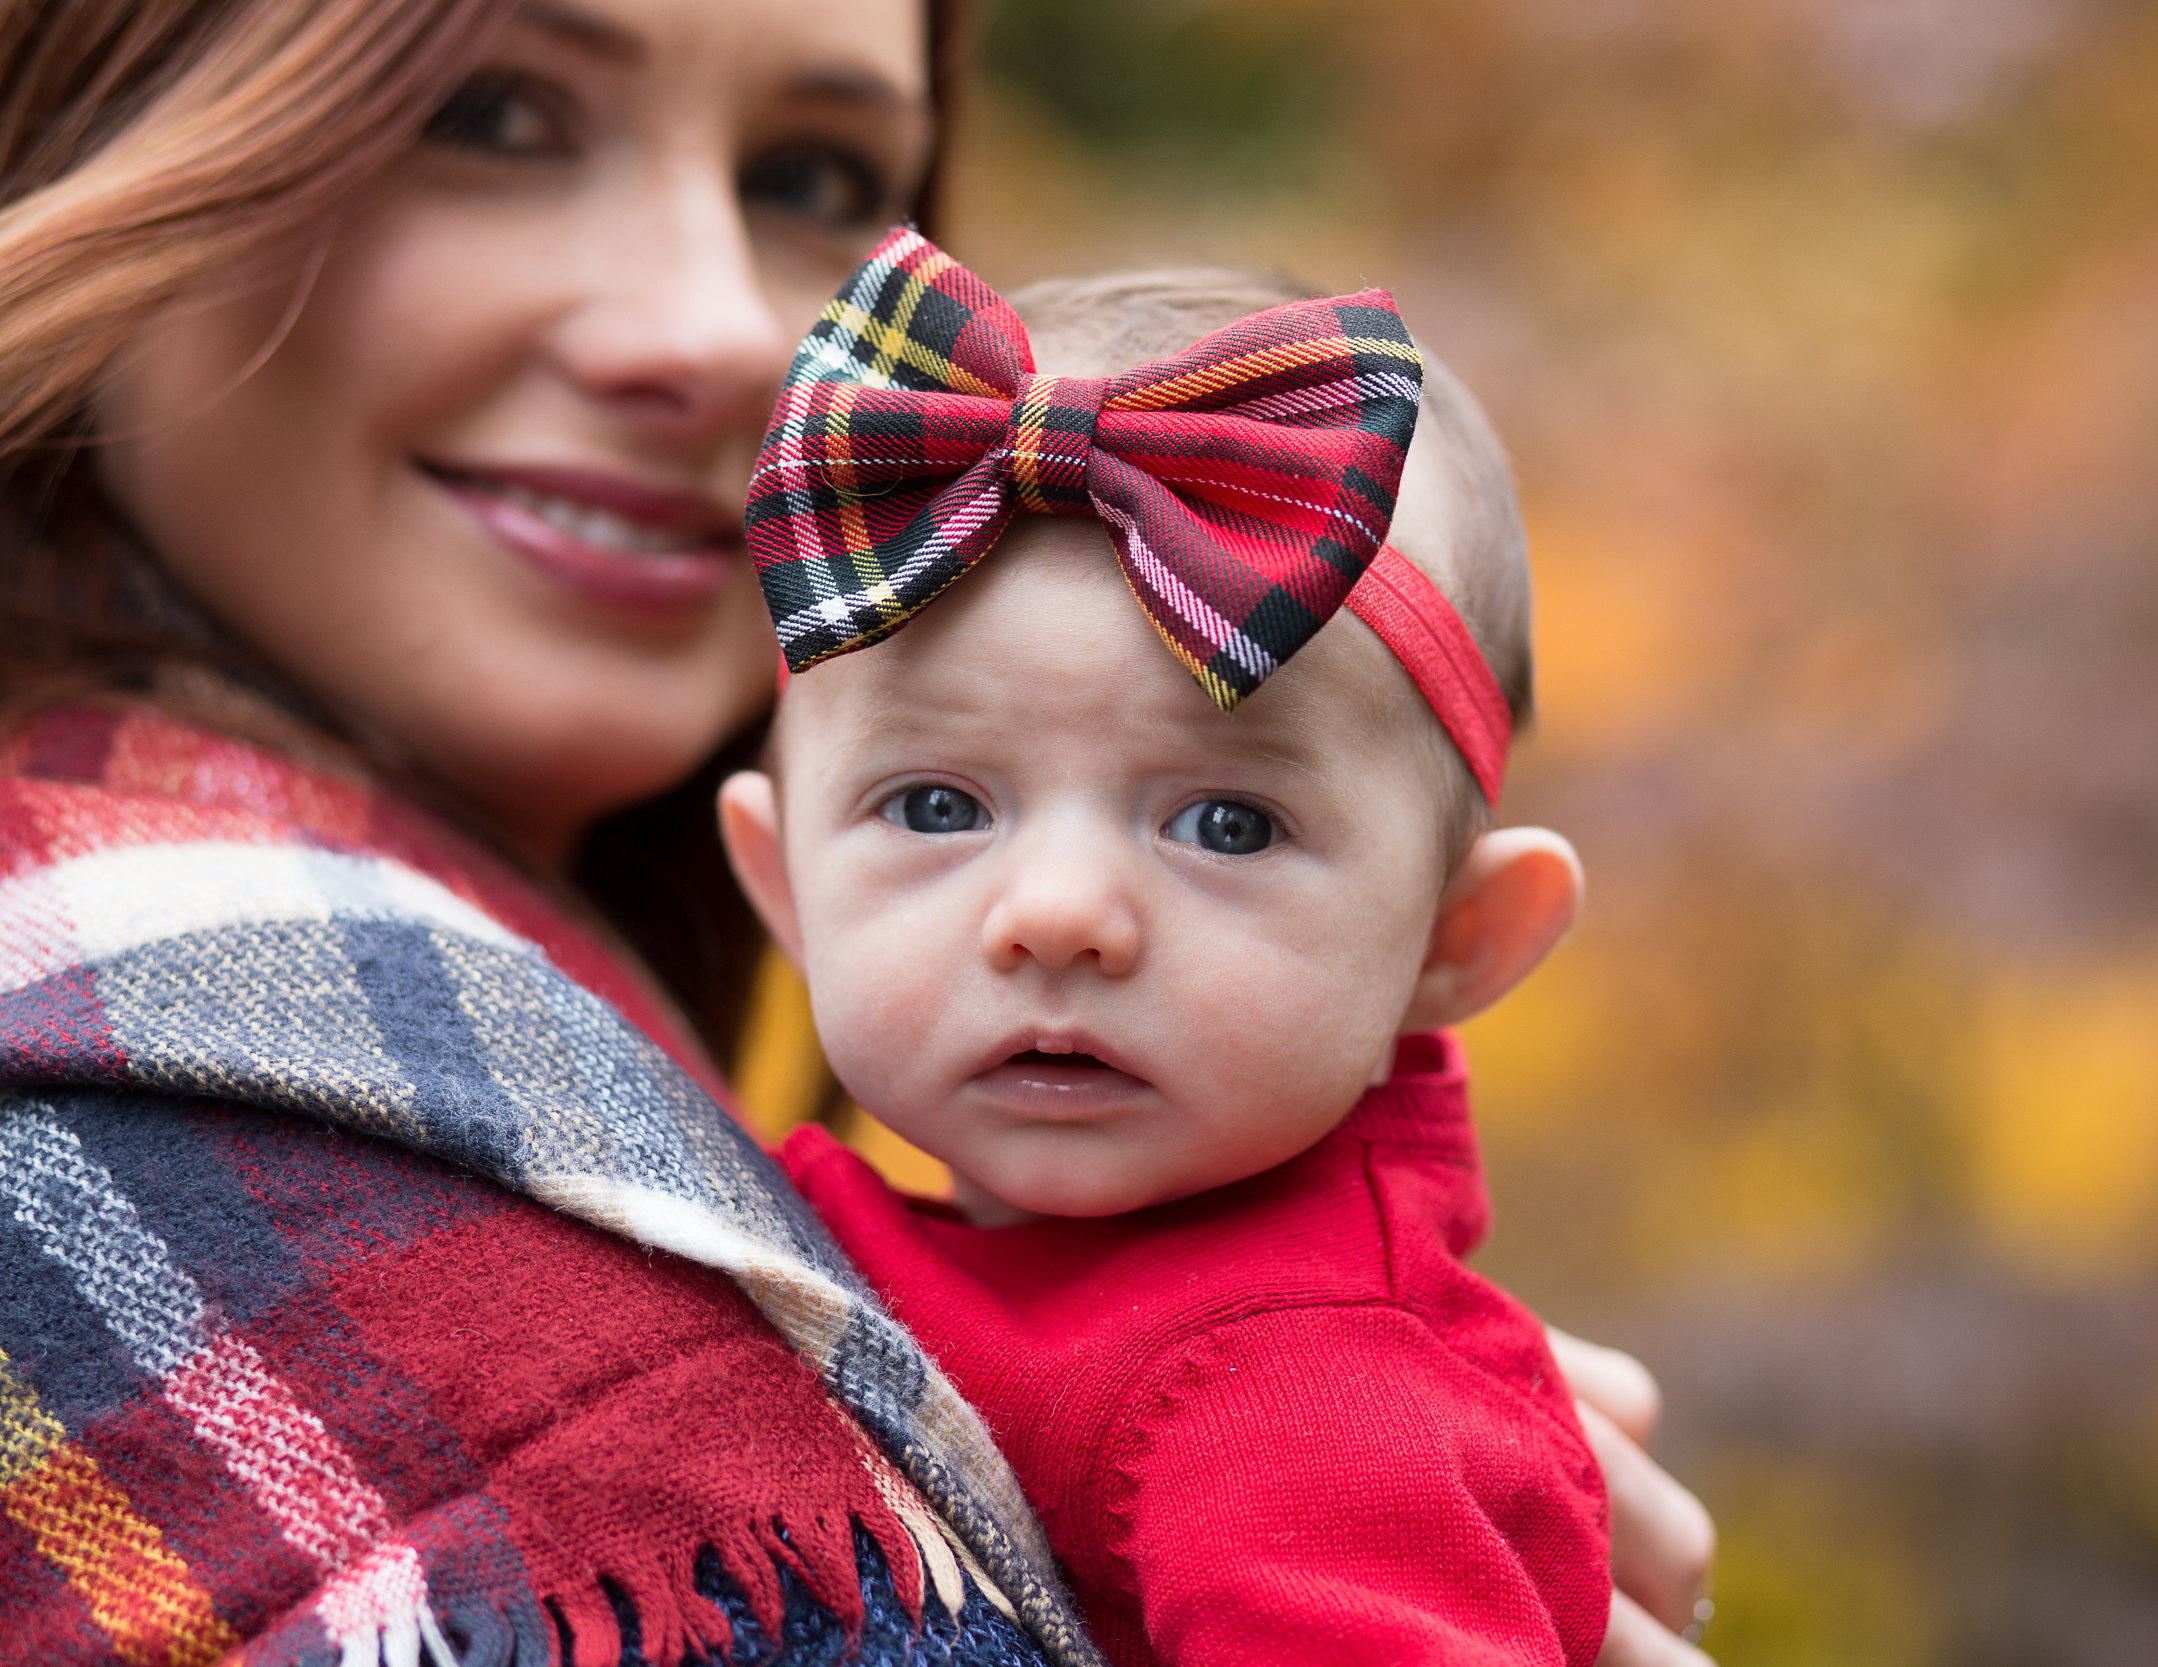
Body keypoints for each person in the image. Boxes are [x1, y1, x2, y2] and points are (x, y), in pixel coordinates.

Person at [0, 1, 1712, 1663]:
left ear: (1459, 941)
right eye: (491, 117)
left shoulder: (1295, 1394)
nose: (727, 339)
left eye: (815, 175)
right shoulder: (200, 1071)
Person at [722, 234, 1610, 1666]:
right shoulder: (755, 1208)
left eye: (1228, 824)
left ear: (1459, 943)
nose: (1061, 911)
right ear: (784, 885)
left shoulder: (1306, 1406)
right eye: (938, 805)